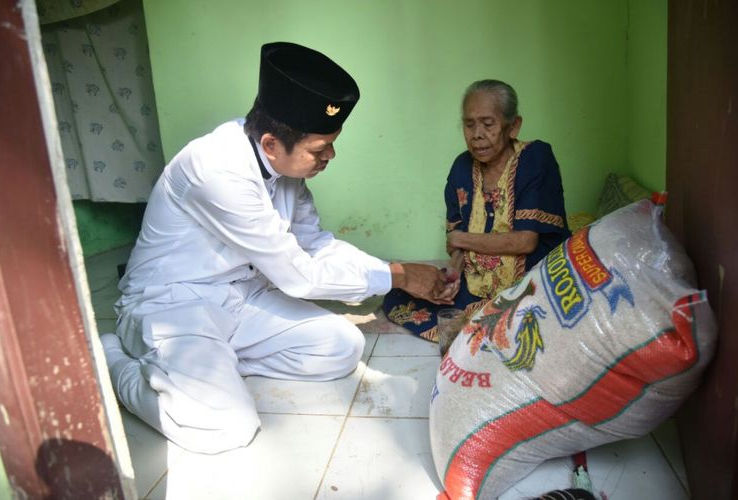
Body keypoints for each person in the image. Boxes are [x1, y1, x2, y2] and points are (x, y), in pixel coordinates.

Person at [100, 41, 449, 454]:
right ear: (270, 143)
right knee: (225, 428)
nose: (331, 155)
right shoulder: (215, 168)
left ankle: (216, 366)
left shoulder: (286, 170)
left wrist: (392, 270)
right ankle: (110, 359)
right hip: (175, 303)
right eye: (320, 149)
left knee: (341, 347)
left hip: (241, 297)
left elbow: (315, 245)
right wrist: (400, 276)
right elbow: (297, 275)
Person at [383, 79, 571, 343]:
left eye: (488, 124)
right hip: (477, 281)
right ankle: (485, 320)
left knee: (543, 315)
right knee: (399, 297)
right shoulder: (461, 167)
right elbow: (456, 238)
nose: (477, 134)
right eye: (469, 125)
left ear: (513, 126)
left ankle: (499, 322)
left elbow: (526, 240)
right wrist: (454, 272)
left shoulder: (535, 158)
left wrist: (460, 239)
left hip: (530, 277)